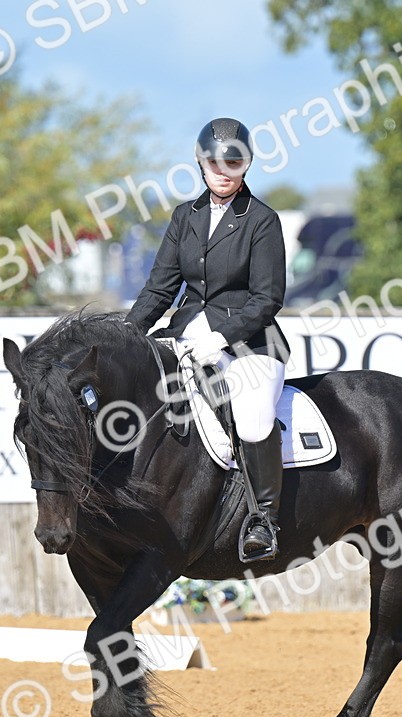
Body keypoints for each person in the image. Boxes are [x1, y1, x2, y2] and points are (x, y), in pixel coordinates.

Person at [125, 117, 290, 562]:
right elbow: (160, 289)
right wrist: (126, 334)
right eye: (215, 163)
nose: (223, 171)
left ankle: (264, 520)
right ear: (201, 163)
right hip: (187, 333)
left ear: (246, 165)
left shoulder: (262, 220)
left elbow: (268, 298)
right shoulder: (186, 216)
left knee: (253, 417)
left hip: (251, 342)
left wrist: (222, 336)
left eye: (233, 163)